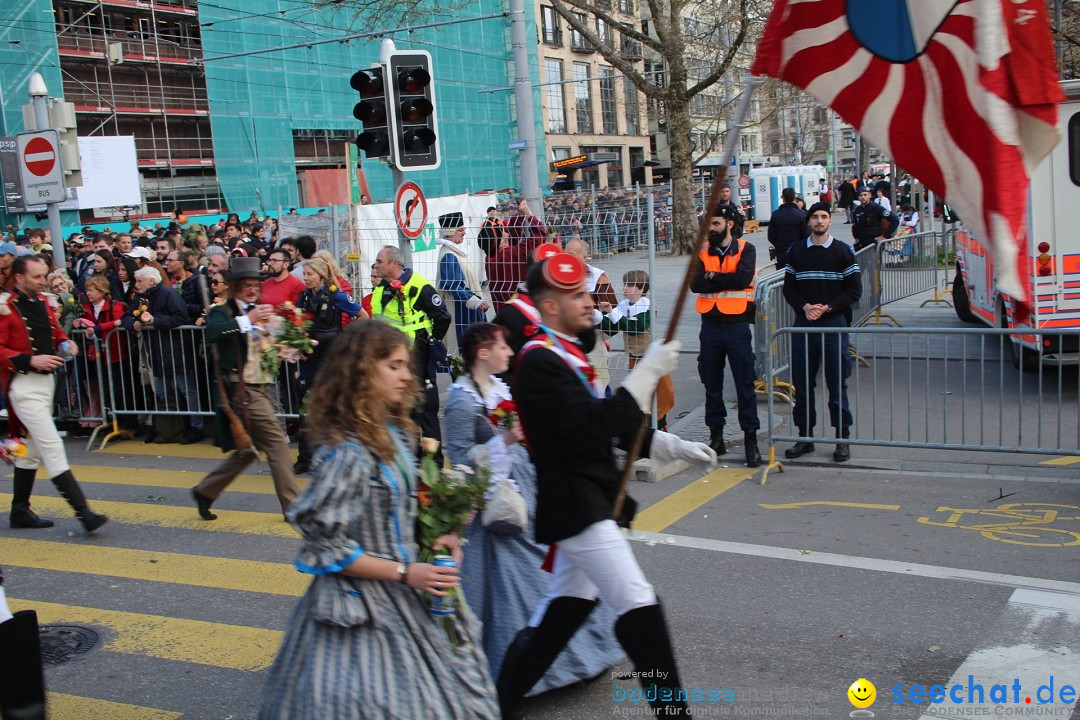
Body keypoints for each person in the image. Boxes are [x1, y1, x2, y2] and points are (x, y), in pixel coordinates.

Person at [497, 252, 717, 719]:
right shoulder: (540, 362)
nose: (589, 302)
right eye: (576, 296)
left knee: (562, 612)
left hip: (588, 497)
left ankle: (497, 705)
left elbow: (606, 422)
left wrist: (665, 443)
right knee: (638, 604)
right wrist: (645, 373)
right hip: (577, 504)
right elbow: (592, 428)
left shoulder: (566, 354)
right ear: (551, 307)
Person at [257, 320, 498, 720]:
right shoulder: (348, 452)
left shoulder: (395, 432)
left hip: (406, 591)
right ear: (362, 373)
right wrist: (407, 572)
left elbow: (399, 508)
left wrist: (441, 535)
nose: (407, 375)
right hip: (363, 606)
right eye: (394, 365)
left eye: (407, 364)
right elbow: (325, 546)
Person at [444, 322, 624, 692]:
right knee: (516, 583)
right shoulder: (461, 402)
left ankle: (571, 654)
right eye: (503, 348)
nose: (510, 354)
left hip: (528, 486)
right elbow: (461, 461)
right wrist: (507, 439)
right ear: (483, 353)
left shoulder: (502, 388)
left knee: (557, 566)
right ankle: (520, 669)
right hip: (495, 500)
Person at [1, 256, 108, 532]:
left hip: (46, 384)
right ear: (20, 278)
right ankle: (84, 513)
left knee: (30, 453)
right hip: (23, 385)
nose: (42, 281)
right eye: (36, 276)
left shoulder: (45, 303)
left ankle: (19, 511)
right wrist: (29, 360)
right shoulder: (5, 308)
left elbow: (56, 333)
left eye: (43, 275)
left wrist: (66, 342)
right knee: (51, 445)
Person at [191, 257, 299, 520]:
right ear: (234, 286)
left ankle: (206, 491)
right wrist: (246, 320)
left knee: (248, 451)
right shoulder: (223, 311)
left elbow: (266, 346)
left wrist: (286, 347)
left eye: (255, 284)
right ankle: (294, 509)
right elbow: (213, 334)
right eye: (246, 285)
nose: (252, 289)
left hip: (261, 386)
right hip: (241, 388)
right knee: (277, 444)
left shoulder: (261, 310)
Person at [782, 202, 862, 463]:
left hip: (833, 322)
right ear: (808, 222)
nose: (819, 221)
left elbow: (854, 290)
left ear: (830, 221)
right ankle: (805, 438)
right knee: (802, 384)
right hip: (804, 324)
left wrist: (827, 307)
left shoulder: (843, 251)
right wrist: (805, 307)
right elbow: (789, 288)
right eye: (814, 217)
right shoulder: (796, 251)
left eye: (824, 217)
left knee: (837, 382)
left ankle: (842, 439)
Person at [691, 205, 762, 467]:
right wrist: (721, 278)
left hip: (736, 324)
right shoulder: (702, 251)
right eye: (708, 224)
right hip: (710, 324)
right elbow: (695, 284)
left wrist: (713, 276)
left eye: (716, 224)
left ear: (729, 224)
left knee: (745, 382)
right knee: (712, 383)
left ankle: (751, 440)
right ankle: (716, 437)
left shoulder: (746, 249)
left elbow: (743, 279)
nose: (710, 229)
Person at [371, 245, 451, 456]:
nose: (376, 265)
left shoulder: (419, 285)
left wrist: (431, 341)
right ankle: (412, 460)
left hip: (416, 357)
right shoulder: (381, 289)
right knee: (403, 411)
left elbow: (442, 317)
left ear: (394, 263)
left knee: (425, 408)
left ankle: (434, 464)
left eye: (379, 261)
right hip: (391, 359)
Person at [293, 257, 365, 474]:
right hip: (310, 359)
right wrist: (297, 343)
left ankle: (339, 457)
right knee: (305, 409)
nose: (306, 278)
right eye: (304, 274)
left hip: (332, 360)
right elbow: (294, 322)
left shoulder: (337, 296)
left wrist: (347, 340)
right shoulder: (304, 298)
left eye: (310, 274)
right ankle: (305, 458)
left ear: (321, 275)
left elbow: (362, 315)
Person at [598, 270, 674, 428]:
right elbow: (613, 325)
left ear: (641, 288)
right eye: (625, 284)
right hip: (634, 358)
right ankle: (644, 431)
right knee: (639, 398)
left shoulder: (647, 307)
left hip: (651, 359)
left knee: (659, 396)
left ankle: (659, 428)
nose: (625, 288)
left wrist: (612, 312)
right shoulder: (623, 305)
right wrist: (596, 315)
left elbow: (635, 327)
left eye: (630, 285)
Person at [437, 211, 490, 350]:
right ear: (449, 232)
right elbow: (452, 286)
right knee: (465, 351)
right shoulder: (449, 255)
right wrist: (475, 302)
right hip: (460, 313)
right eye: (460, 230)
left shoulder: (454, 252)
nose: (464, 232)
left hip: (466, 309)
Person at [767, 187, 808, 271]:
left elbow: (771, 235)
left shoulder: (775, 215)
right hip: (798, 251)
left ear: (783, 198)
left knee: (782, 277)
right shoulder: (801, 215)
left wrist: (778, 245)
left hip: (781, 251)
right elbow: (806, 235)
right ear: (794, 198)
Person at [851, 185, 898, 252]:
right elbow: (856, 226)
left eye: (865, 195)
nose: (863, 197)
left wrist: (885, 236)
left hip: (874, 242)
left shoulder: (877, 208)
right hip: (862, 243)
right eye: (861, 195)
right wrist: (856, 238)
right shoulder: (857, 210)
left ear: (869, 195)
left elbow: (894, 220)